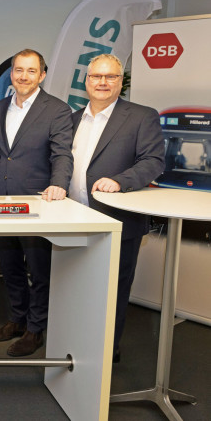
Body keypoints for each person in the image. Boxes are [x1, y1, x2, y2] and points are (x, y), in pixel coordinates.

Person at [70, 53, 164, 363]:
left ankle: (105, 350)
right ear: (86, 81)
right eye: (96, 76)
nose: (102, 82)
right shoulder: (72, 119)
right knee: (74, 286)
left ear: (121, 82)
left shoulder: (141, 116)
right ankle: (74, 343)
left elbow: (153, 161)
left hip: (117, 222)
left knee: (112, 290)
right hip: (73, 219)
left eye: (110, 76)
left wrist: (120, 181)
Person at [0, 49, 73, 357]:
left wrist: (58, 184)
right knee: (10, 266)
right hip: (3, 200)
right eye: (18, 70)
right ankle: (17, 319)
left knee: (38, 270)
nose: (23, 76)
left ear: (42, 75)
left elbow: (62, 153)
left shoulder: (57, 109)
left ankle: (35, 329)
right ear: (11, 73)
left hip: (37, 202)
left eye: (31, 70)